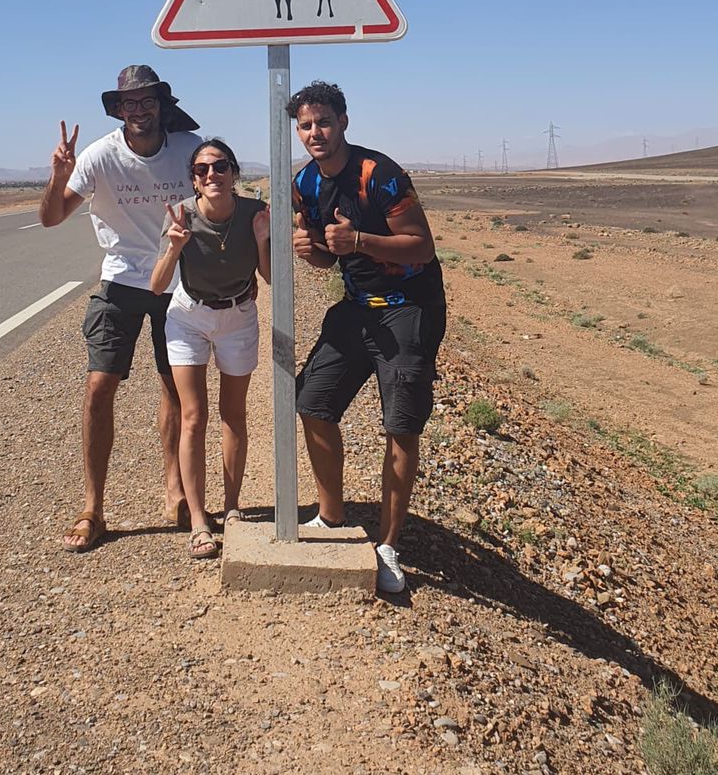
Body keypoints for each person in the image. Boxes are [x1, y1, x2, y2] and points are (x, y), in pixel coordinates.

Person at [289, 80, 445, 594]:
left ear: (343, 122)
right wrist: (312, 250)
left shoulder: (378, 174)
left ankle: (388, 545)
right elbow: (327, 258)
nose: (316, 132)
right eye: (306, 125)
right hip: (357, 307)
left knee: (401, 424)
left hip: (410, 309)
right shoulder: (304, 183)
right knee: (312, 400)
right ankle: (331, 514)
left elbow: (420, 246)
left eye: (324, 122)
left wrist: (358, 239)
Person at [39, 65, 202, 552]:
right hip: (120, 280)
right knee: (98, 386)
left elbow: (218, 197)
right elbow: (51, 217)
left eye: (147, 100)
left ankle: (175, 489)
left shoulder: (189, 149)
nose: (138, 110)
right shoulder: (99, 156)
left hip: (178, 279)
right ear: (118, 109)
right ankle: (93, 507)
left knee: (174, 386)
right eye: (129, 102)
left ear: (161, 106)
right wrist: (59, 177)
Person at [150, 140, 271, 560]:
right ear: (193, 180)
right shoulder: (180, 214)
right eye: (201, 170)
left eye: (220, 167)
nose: (211, 175)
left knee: (233, 414)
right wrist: (174, 247)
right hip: (189, 318)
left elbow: (269, 276)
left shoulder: (255, 213)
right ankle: (199, 520)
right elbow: (157, 285)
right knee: (193, 416)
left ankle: (233, 508)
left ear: (234, 172)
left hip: (238, 317)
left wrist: (261, 241)